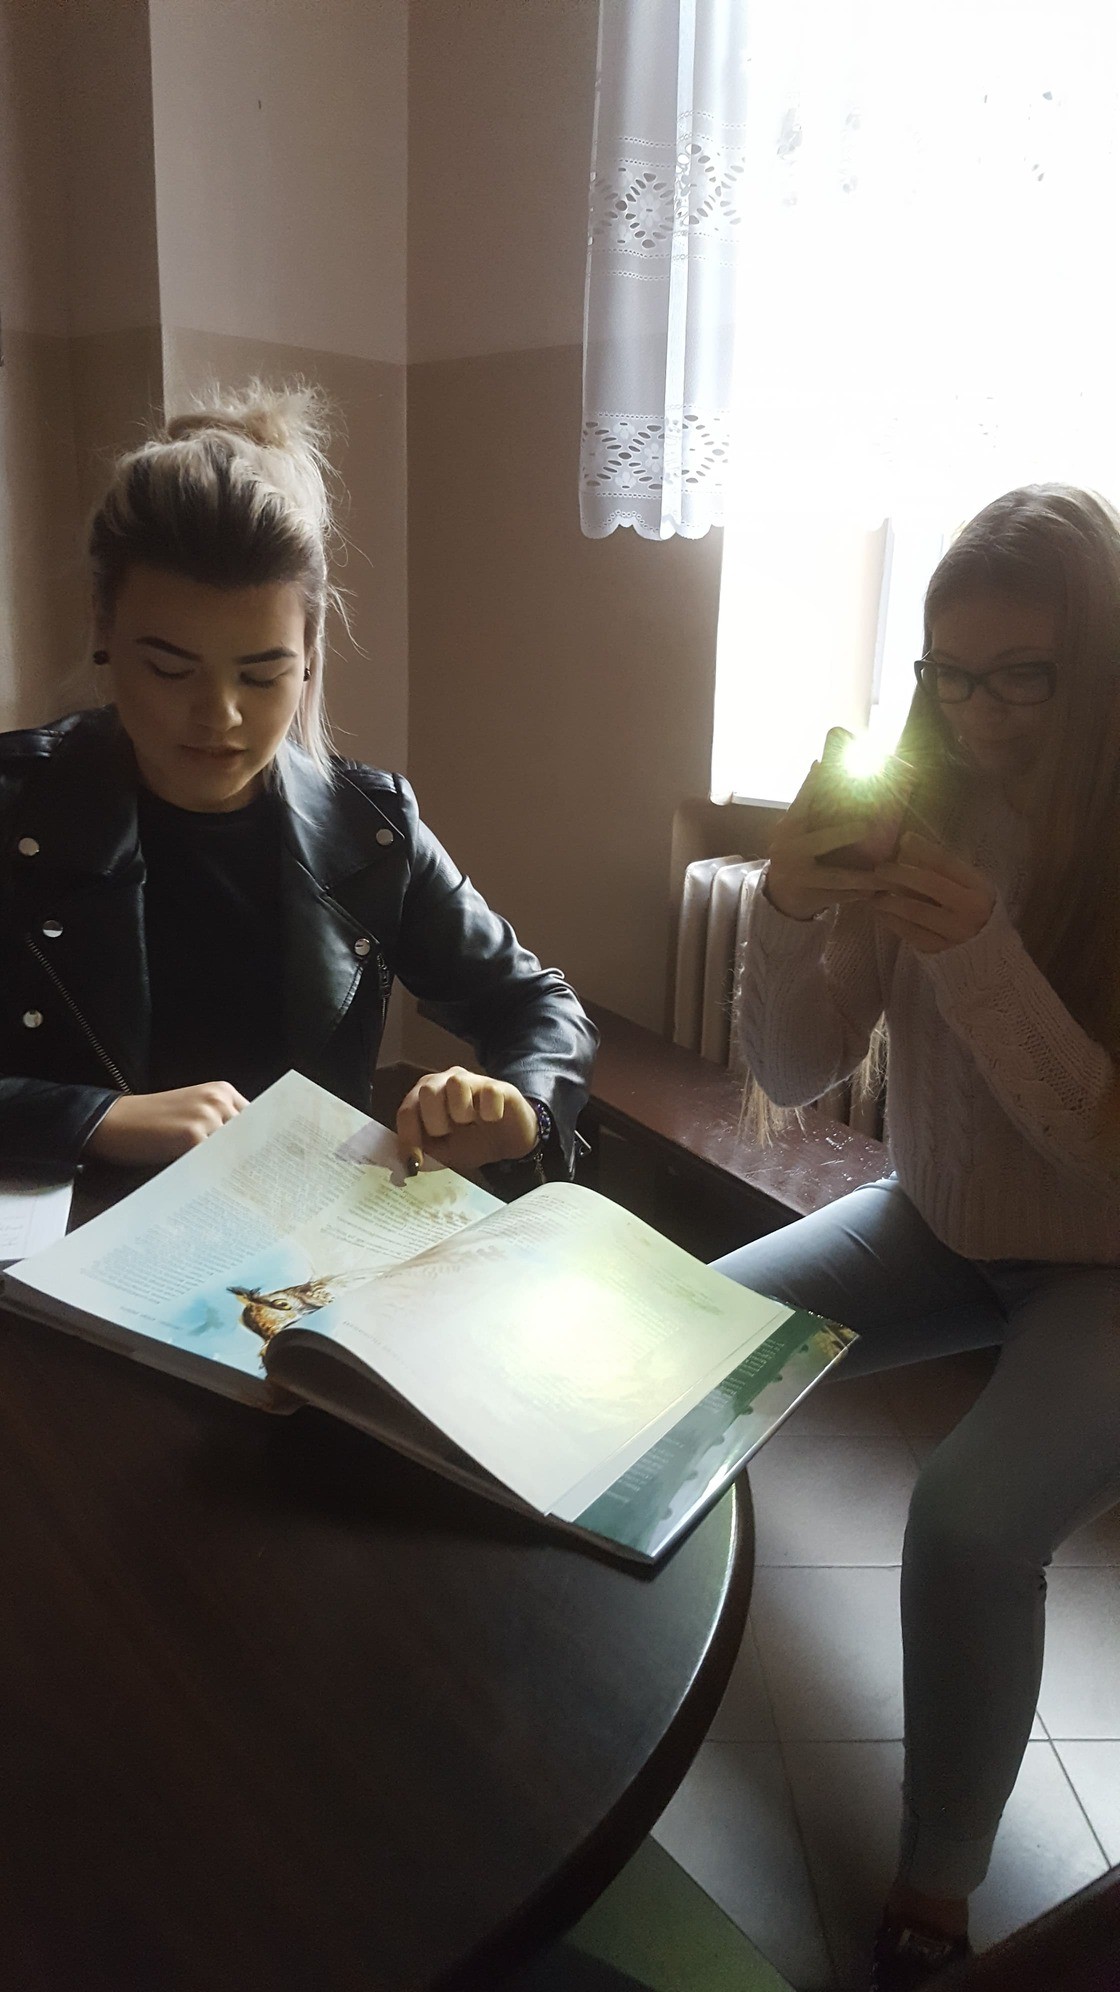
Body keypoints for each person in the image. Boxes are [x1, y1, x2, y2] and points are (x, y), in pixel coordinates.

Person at [716, 485, 1120, 1992]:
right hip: (936, 1220)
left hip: (1105, 1263)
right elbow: (794, 1069)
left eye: (1024, 677)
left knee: (966, 1525)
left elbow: (1099, 1147)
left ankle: (935, 1889)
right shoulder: (923, 805)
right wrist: (786, 905)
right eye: (951, 675)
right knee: (690, 1340)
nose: (979, 713)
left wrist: (980, 954)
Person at [0, 383, 596, 1191]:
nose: (219, 715)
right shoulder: (18, 808)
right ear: (104, 626)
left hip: (301, 1239)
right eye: (170, 669)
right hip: (71, 1239)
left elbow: (537, 1006)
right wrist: (96, 1119)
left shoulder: (368, 830)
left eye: (261, 674)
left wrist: (519, 1106)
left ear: (310, 653)